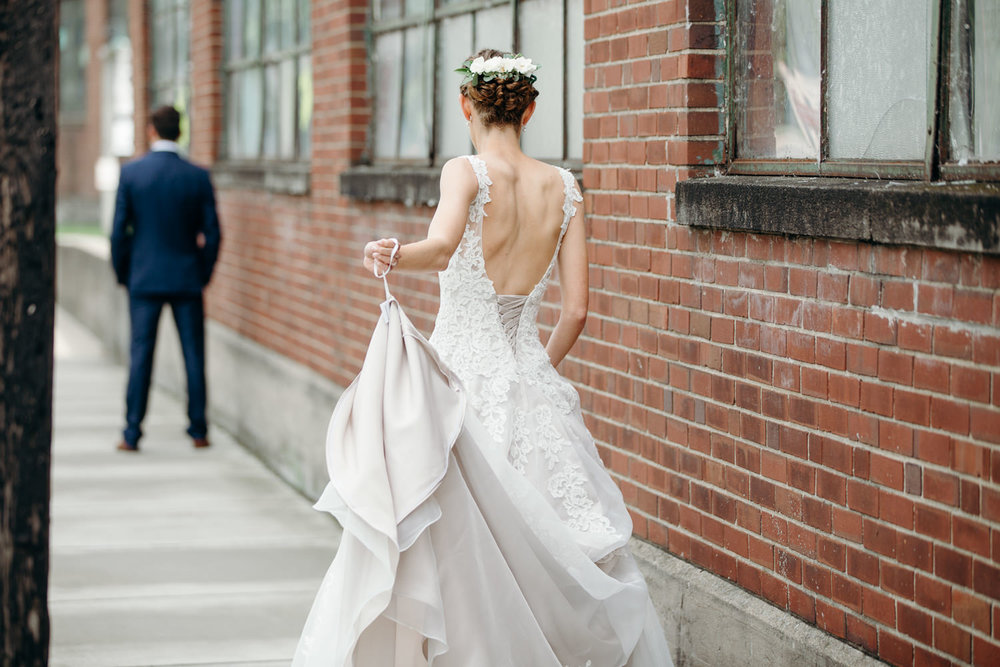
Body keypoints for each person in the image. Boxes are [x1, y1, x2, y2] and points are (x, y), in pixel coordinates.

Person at [294, 49, 672, 666]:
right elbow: (577, 311)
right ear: (529, 109)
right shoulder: (566, 187)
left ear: (467, 105)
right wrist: (535, 369)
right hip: (533, 384)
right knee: (552, 545)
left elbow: (442, 247)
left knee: (455, 551)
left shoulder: (464, 171)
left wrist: (393, 253)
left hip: (462, 387)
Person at [110, 105, 222, 452]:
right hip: (187, 278)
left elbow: (118, 233)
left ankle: (132, 433)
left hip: (143, 279)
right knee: (193, 355)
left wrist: (123, 272)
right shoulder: (197, 176)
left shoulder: (132, 174)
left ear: (151, 131)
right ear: (180, 132)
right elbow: (214, 235)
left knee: (141, 356)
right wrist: (201, 272)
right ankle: (199, 430)